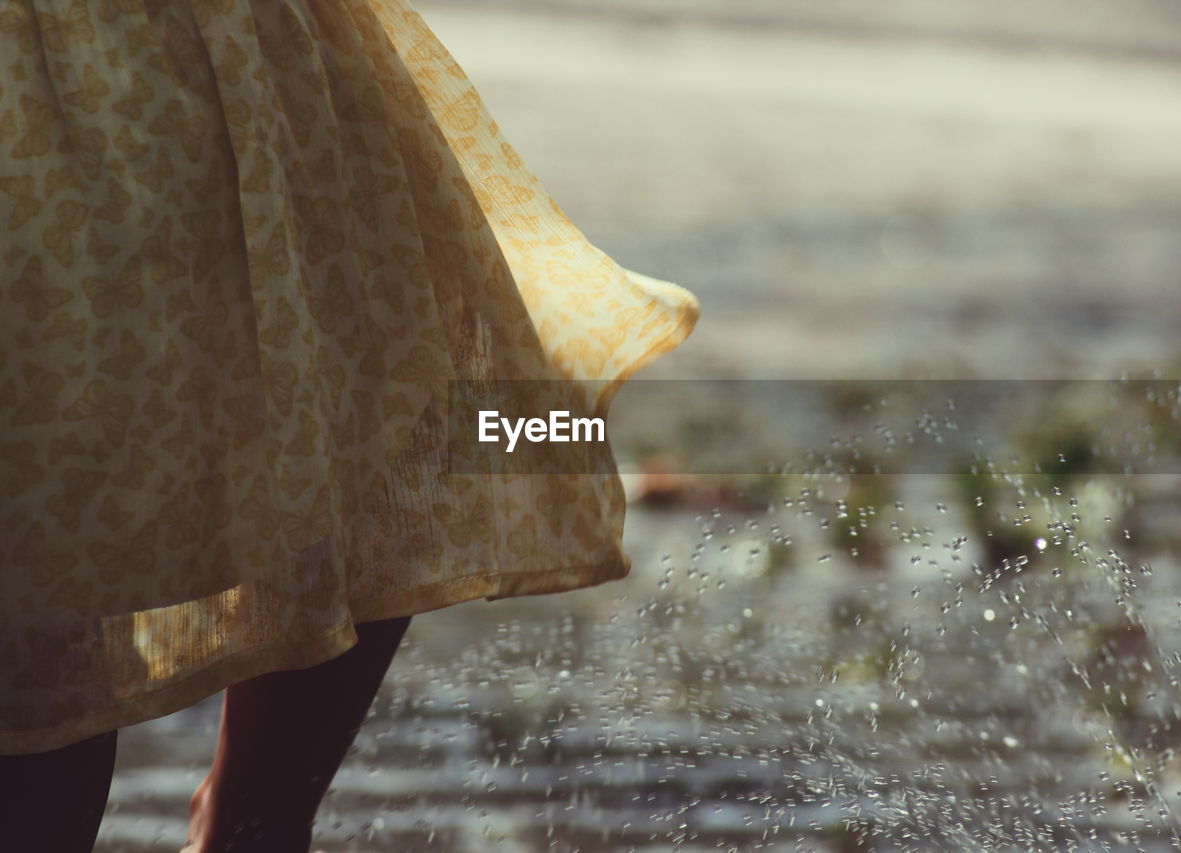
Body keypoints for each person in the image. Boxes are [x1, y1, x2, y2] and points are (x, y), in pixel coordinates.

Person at [0, 0, 699, 850]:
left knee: (373, 393)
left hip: (216, 51)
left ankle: (253, 822)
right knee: (358, 394)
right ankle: (253, 821)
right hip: (172, 62)